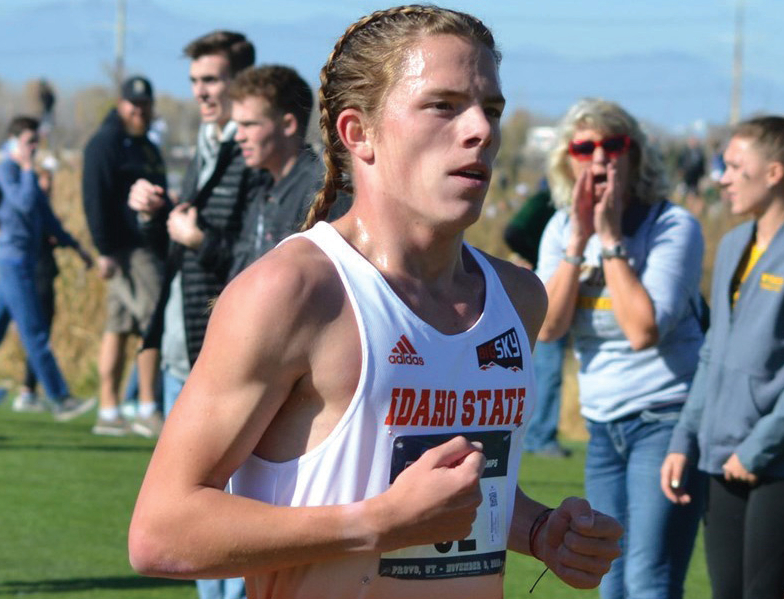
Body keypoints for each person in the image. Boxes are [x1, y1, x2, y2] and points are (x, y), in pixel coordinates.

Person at [129, 7, 623, 598]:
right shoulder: (294, 292)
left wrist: (540, 530)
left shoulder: (518, 299)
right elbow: (160, 533)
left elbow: (458, 500)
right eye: (443, 105)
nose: (482, 131)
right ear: (357, 133)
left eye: (491, 109)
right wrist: (375, 524)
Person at [536, 98, 706, 599]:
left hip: (665, 419)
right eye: (584, 147)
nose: (600, 158)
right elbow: (549, 326)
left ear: (635, 155)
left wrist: (609, 240)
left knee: (649, 572)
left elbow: (642, 330)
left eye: (614, 144)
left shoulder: (672, 226)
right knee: (608, 570)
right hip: (602, 423)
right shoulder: (561, 229)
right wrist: (579, 239)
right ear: (567, 160)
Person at [129, 29, 257, 599]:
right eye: (196, 82)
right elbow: (183, 246)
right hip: (188, 343)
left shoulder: (254, 154)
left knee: (225, 514)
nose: (202, 92)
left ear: (242, 84)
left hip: (226, 350)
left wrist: (197, 236)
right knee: (190, 509)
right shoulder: (205, 143)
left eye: (212, 80)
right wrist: (155, 216)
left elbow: (258, 262)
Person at [662, 116, 784, 599]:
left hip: (771, 462)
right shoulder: (733, 245)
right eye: (722, 165)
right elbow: (712, 353)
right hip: (719, 458)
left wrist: (757, 450)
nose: (722, 178)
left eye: (735, 166)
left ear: (774, 173)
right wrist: (684, 437)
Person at [82, 75, 169, 436]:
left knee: (121, 327)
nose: (139, 110)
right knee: (152, 324)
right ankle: (144, 407)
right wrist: (104, 250)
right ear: (121, 104)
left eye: (145, 104)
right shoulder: (105, 143)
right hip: (127, 252)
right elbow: (94, 198)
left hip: (148, 246)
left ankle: (113, 410)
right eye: (133, 104)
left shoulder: (147, 146)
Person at [0, 116, 96, 420]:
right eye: (29, 142)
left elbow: (46, 217)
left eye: (35, 143)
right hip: (11, 262)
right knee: (34, 331)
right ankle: (60, 397)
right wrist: (28, 168)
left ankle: (57, 395)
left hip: (18, 261)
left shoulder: (22, 172)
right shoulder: (8, 168)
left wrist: (76, 246)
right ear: (14, 141)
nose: (34, 148)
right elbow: (24, 203)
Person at [228, 64, 348, 279]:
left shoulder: (324, 193)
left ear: (288, 125)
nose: (239, 136)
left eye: (249, 125)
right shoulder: (262, 190)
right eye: (237, 126)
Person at [503, 179, 570, 458]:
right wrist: (537, 258)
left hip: (557, 283)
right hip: (546, 285)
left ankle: (535, 435)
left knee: (544, 368)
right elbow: (514, 232)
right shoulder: (546, 201)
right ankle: (540, 437)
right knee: (547, 367)